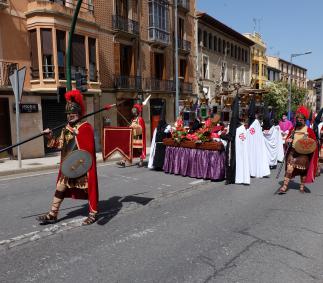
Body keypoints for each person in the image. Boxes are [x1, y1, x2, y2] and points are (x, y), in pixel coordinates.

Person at [38, 90, 100, 225]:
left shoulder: (85, 127)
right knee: (60, 186)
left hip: (81, 165)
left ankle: (93, 213)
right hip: (68, 165)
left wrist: (76, 134)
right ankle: (53, 214)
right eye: (68, 115)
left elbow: (87, 149)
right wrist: (49, 136)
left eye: (72, 115)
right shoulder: (66, 128)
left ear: (78, 114)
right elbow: (60, 144)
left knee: (88, 189)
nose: (69, 117)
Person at [279, 106, 319, 194]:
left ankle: (302, 185)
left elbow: (314, 143)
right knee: (289, 168)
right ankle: (284, 186)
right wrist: (287, 141)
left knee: (303, 171)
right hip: (293, 152)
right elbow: (287, 139)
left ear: (304, 120)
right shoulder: (292, 129)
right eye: (298, 119)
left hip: (303, 154)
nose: (299, 121)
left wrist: (309, 145)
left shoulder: (309, 131)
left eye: (301, 120)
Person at [247, 97, 270, 178]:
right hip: (253, 144)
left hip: (255, 144)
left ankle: (254, 171)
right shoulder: (254, 123)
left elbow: (251, 132)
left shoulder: (255, 123)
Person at [148, 102, 171, 170]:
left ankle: (161, 166)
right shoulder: (157, 128)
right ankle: (157, 166)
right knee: (158, 155)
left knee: (161, 156)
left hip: (163, 144)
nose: (160, 122)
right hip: (158, 144)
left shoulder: (167, 126)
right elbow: (155, 136)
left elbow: (166, 132)